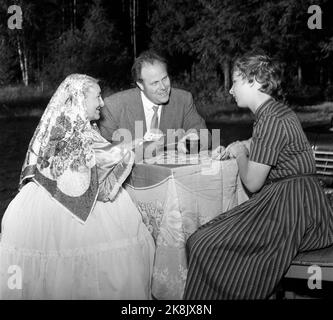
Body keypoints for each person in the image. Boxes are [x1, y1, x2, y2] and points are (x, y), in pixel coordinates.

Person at [183, 54, 333, 299]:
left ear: (253, 81)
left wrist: (241, 154)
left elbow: (252, 182)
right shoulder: (276, 112)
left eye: (234, 82)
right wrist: (239, 144)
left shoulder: (270, 119)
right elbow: (262, 142)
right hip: (300, 203)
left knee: (202, 242)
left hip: (293, 210)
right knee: (205, 237)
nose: (230, 90)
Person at [0, 74, 155, 299]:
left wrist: (132, 144)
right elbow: (100, 158)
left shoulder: (72, 128)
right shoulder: (71, 132)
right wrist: (140, 143)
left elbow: (100, 153)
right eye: (98, 97)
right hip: (65, 206)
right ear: (79, 101)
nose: (102, 103)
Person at [99, 50, 211, 154]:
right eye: (154, 83)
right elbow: (103, 151)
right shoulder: (114, 106)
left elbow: (206, 137)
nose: (163, 87)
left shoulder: (183, 100)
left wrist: (193, 139)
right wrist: (137, 147)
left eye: (165, 78)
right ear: (140, 84)